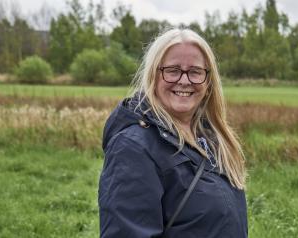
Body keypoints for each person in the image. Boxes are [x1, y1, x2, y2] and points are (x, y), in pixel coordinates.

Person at [98, 28, 247, 238]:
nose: (184, 80)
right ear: (154, 75)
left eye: (195, 71)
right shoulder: (133, 147)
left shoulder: (211, 139)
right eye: (172, 70)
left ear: (208, 81)